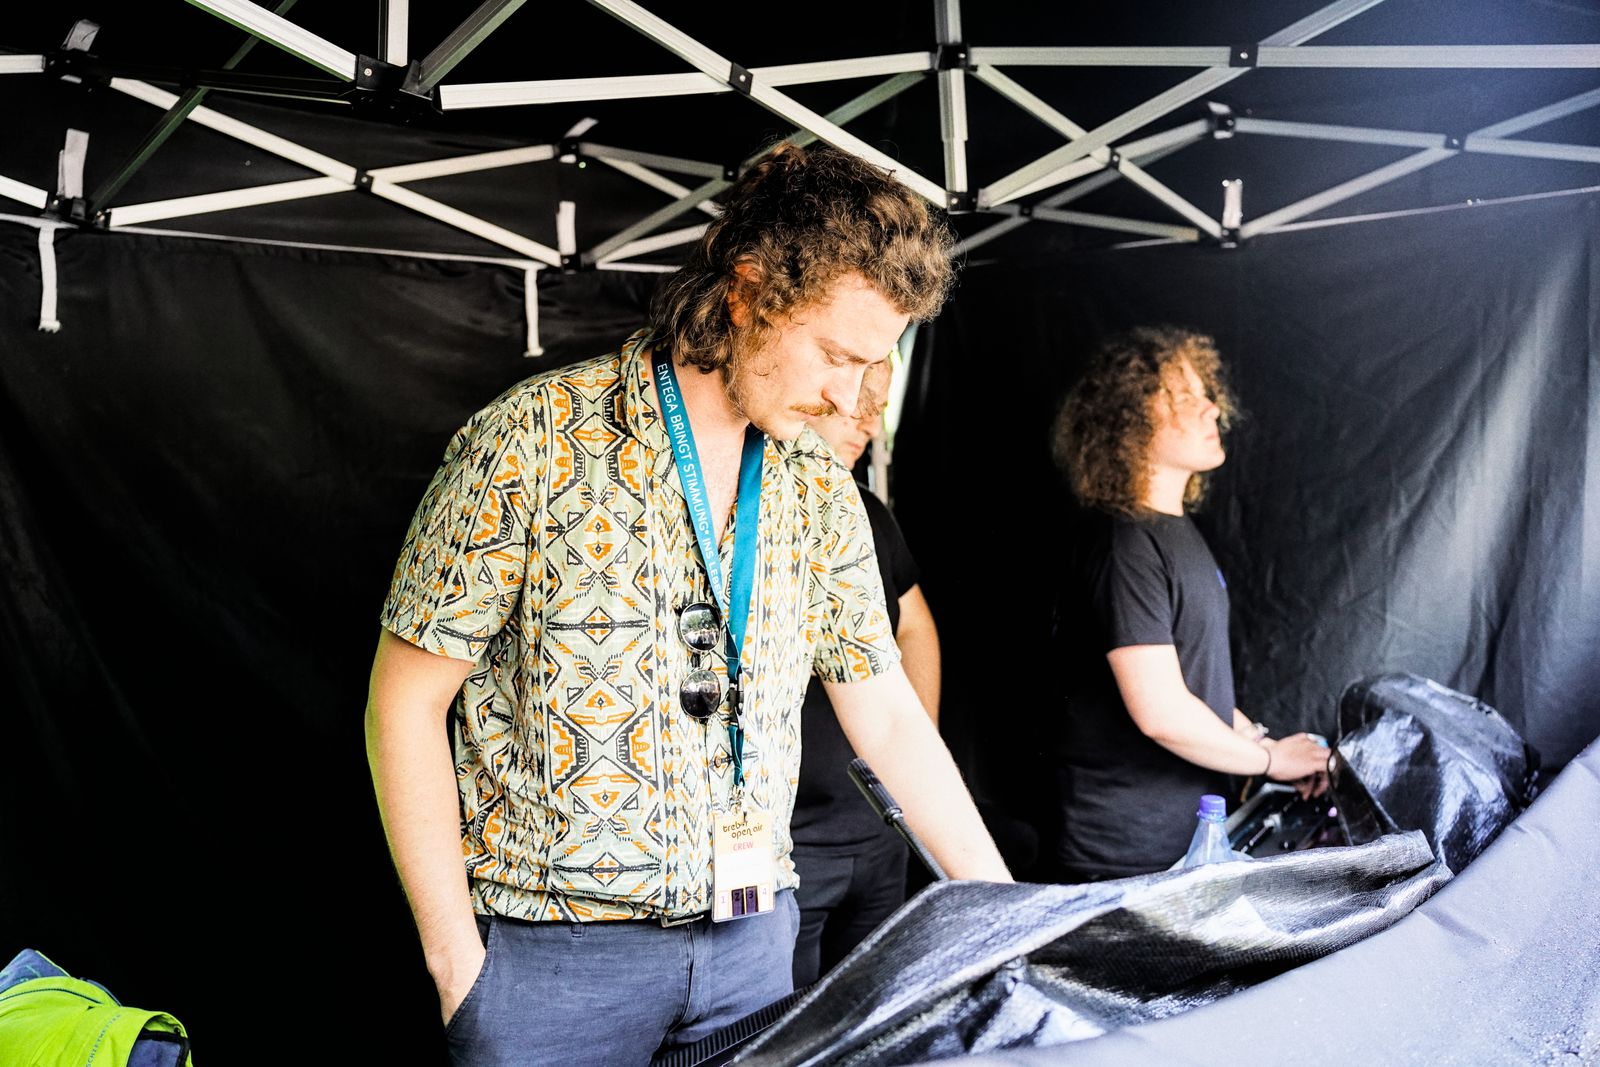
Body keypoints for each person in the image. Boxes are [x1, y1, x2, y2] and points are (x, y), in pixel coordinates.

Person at [364, 141, 1011, 1067]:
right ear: (749, 292)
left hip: (754, 939)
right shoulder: (533, 439)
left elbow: (889, 716)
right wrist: (456, 963)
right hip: (556, 959)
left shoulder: (819, 486)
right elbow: (404, 701)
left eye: (875, 365)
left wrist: (1003, 914)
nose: (850, 397)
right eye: (836, 354)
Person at [1046, 326, 1328, 882]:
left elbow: (1193, 686)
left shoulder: (1173, 532)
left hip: (1182, 837)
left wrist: (1260, 743)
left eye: (1205, 392)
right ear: (1128, 418)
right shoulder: (1126, 544)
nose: (1211, 408)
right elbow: (1162, 711)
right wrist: (1272, 761)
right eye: (1183, 395)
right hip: (1124, 853)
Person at [788, 371, 941, 988]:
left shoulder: (867, 512)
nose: (870, 421)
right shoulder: (747, 505)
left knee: (873, 1005)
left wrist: (916, 749)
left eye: (878, 405)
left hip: (879, 826)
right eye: (858, 402)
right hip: (786, 845)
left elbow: (916, 627)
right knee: (783, 1024)